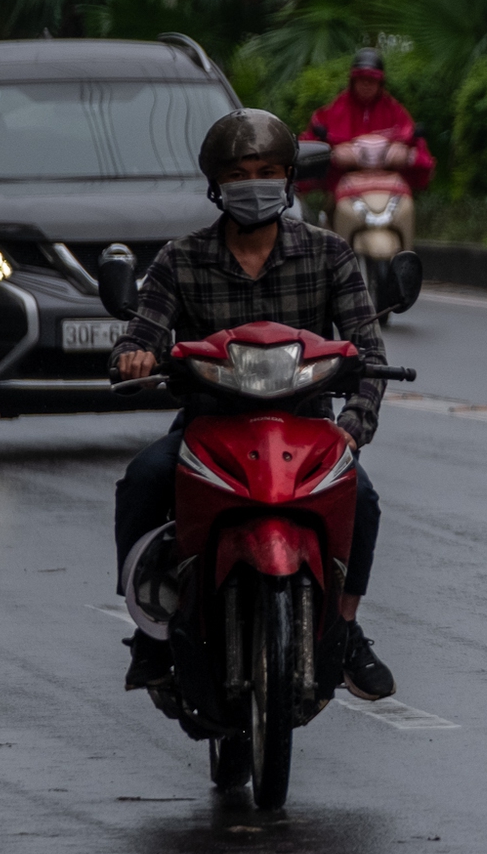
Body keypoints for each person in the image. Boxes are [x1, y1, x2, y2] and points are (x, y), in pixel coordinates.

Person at [110, 109, 396, 701]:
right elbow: (140, 335)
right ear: (216, 183)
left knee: (361, 498)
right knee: (142, 480)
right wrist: (136, 356)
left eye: (268, 171)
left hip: (308, 431)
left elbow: (369, 352)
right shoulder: (180, 259)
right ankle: (150, 630)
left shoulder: (329, 254)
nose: (254, 183)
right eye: (240, 174)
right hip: (208, 428)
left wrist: (353, 425)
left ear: (289, 178)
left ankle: (343, 626)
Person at [303, 47, 436, 193]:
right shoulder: (339, 107)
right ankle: (329, 213)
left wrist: (405, 150)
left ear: (380, 84)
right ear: (353, 81)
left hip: (388, 185)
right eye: (362, 80)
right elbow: (315, 132)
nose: (366, 85)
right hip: (344, 183)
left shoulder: (393, 108)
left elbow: (413, 139)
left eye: (372, 80)